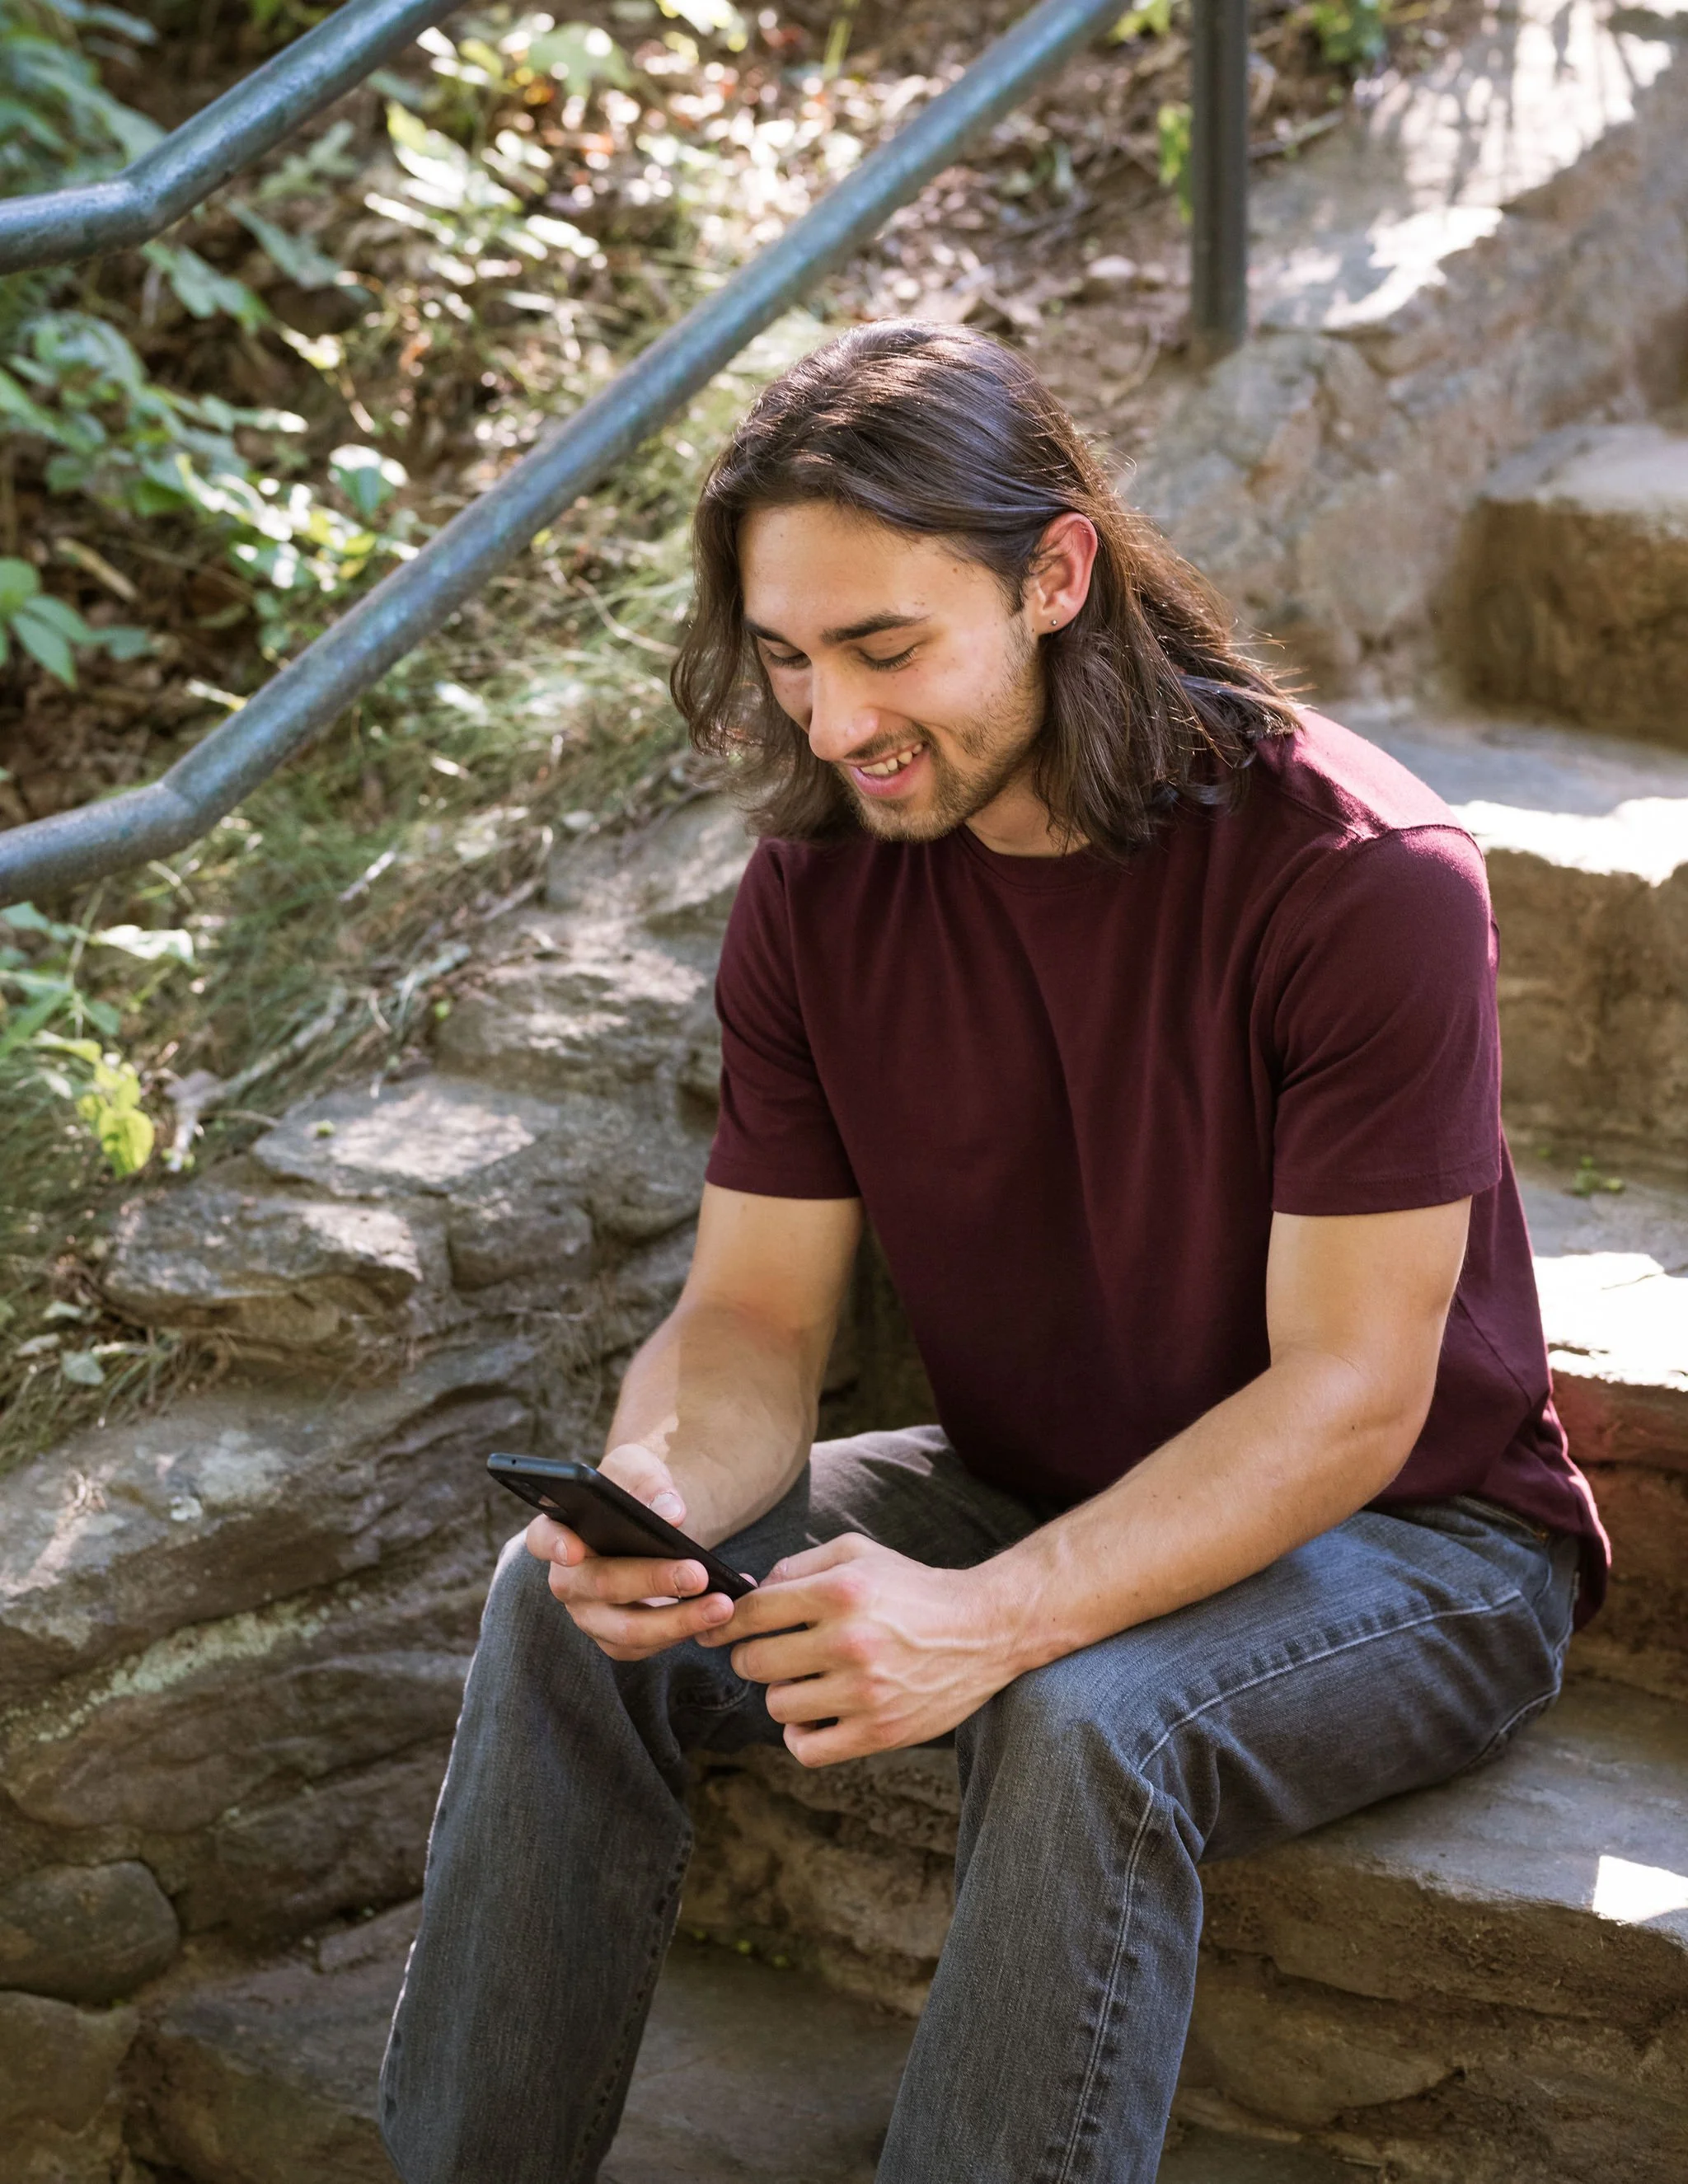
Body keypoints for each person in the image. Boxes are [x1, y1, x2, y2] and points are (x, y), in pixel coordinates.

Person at [379, 321, 1608, 2183]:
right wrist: (663, 1494)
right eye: (788, 660)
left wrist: (997, 1610)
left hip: (1417, 1539)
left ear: (1055, 573)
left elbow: (1352, 1399)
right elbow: (755, 1314)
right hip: (1028, 1479)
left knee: (1082, 1714)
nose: (837, 720)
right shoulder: (819, 883)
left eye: (885, 648)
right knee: (561, 1612)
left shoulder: (1360, 876)